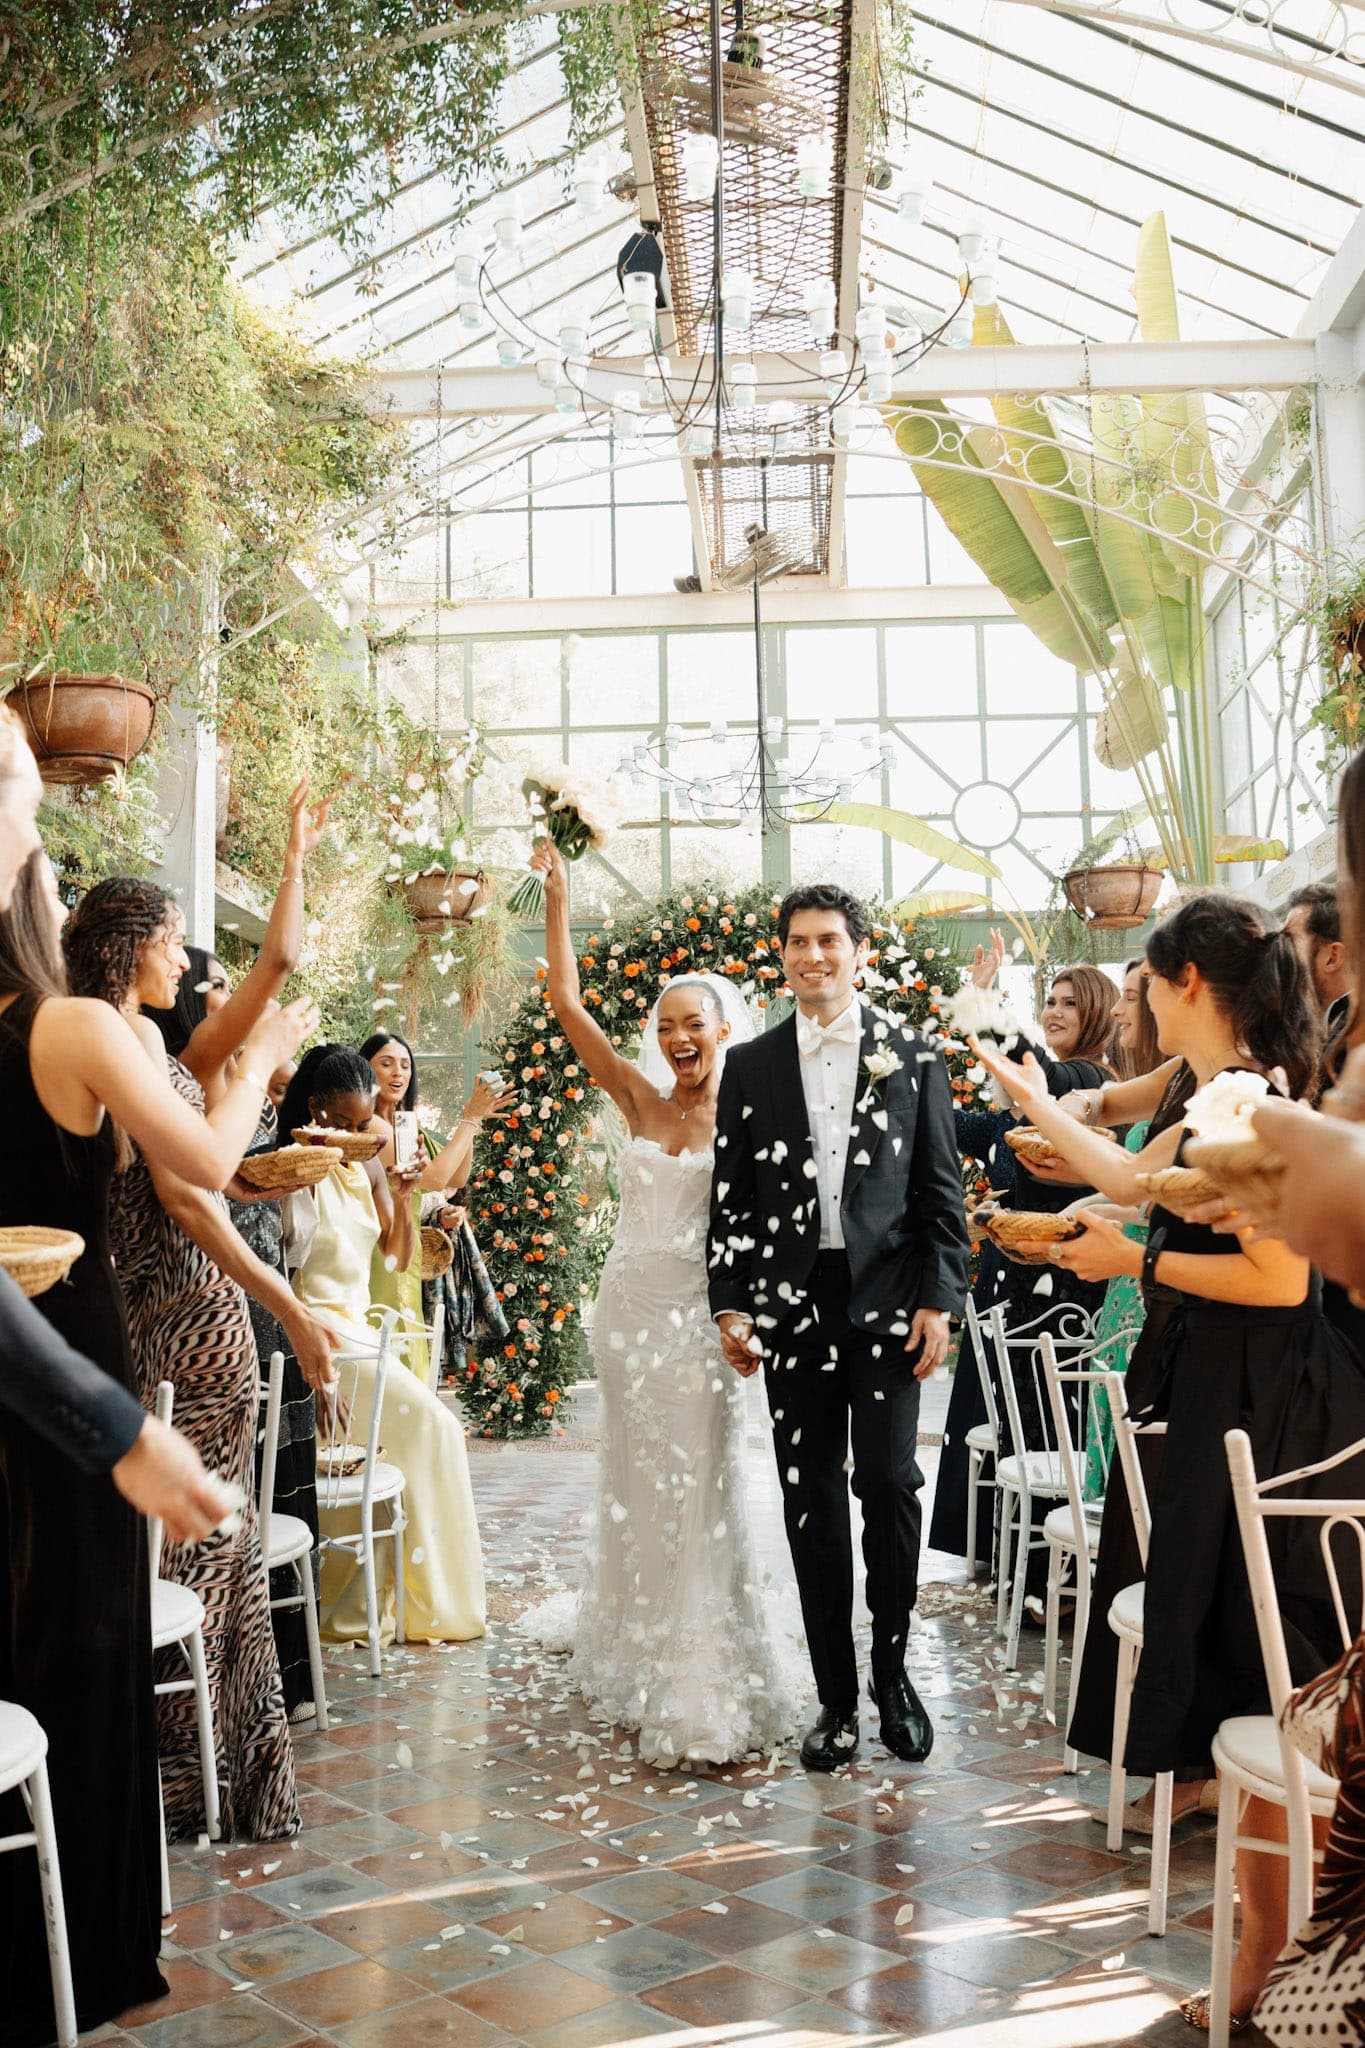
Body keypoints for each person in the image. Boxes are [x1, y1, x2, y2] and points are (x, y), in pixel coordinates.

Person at [973, 892, 1365, 2029]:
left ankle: (1267, 1971)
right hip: (1212, 1397)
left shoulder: (1259, 1102)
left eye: (1143, 977)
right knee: (1222, 1696)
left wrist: (1136, 1265)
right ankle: (1251, 1970)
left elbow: (1278, 1284)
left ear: (1186, 980)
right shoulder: (1212, 1091)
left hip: (1264, 1413)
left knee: (1253, 1687)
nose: (1133, 994)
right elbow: (1137, 1180)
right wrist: (1029, 1089)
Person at [0, 849, 312, 2043]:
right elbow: (213, 1168)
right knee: (83, 1636)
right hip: (77, 1356)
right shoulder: (72, 1027)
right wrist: (271, 1060)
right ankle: (80, 1946)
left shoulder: (91, 1028)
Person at [64, 877, 334, 1842]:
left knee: (215, 1552)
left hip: (172, 1317)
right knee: (209, 1553)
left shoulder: (136, 1038)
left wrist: (298, 859)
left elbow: (275, 970)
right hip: (187, 1318)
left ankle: (208, 1776)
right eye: (174, 941)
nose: (184, 961)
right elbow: (191, 1197)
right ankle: (197, 1779)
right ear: (130, 942)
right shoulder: (121, 1040)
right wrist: (292, 1307)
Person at [524, 840, 802, 1764]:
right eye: (667, 1023)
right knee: (637, 1483)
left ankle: (698, 1670)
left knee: (698, 1486)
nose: (679, 1037)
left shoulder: (755, 1111)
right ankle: (632, 1637)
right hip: (626, 1317)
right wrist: (559, 895)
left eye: (696, 1023)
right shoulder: (641, 1101)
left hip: (701, 1323)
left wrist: (755, 1313)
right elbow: (565, 1005)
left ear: (725, 1028)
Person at [710, 881, 971, 1770]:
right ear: (779, 955)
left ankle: (892, 1678)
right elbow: (732, 1198)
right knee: (809, 1495)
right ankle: (833, 1701)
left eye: (828, 941)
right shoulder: (747, 1065)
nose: (812, 956)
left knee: (891, 1486)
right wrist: (732, 1302)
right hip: (792, 1304)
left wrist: (938, 1296)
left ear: (859, 950)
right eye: (797, 942)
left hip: (892, 1298)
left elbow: (942, 1193)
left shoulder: (913, 1055)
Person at [280, 1046, 486, 1647]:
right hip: (320, 1336)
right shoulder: (293, 1169)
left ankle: (415, 1603)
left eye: (363, 1123)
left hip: (363, 1334)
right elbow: (285, 1270)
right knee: (435, 1428)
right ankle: (414, 1604)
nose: (352, 1135)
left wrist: (399, 1194)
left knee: (427, 1438)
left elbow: (397, 1257)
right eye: (341, 1124)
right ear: (315, 1109)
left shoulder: (366, 1164)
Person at [930, 945, 1117, 1571]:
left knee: (1041, 1427)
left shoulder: (1089, 1083)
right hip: (1003, 1291)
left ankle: (1042, 1566)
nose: (1057, 1010)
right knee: (997, 1420)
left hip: (1057, 1299)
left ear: (1098, 1015)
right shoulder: (1025, 1107)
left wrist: (983, 1005)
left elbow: (1030, 1069)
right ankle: (997, 1550)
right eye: (1052, 1001)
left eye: (1071, 1003)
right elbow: (958, 1125)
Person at [361, 1028, 515, 1382]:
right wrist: (469, 1117)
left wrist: (474, 1122)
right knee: (390, 1350)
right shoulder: (372, 1125)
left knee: (408, 1347)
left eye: (405, 1065)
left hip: (408, 1249)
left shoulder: (406, 1122)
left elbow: (455, 1179)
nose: (398, 1073)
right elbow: (431, 1179)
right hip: (381, 1244)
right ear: (365, 1070)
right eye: (386, 1064)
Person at [1083, 960, 1167, 1498]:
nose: (1119, 1009)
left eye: (1133, 997)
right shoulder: (1175, 1078)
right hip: (1125, 1288)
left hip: (1151, 1290)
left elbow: (1135, 1189)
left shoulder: (1229, 1086)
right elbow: (1131, 1191)